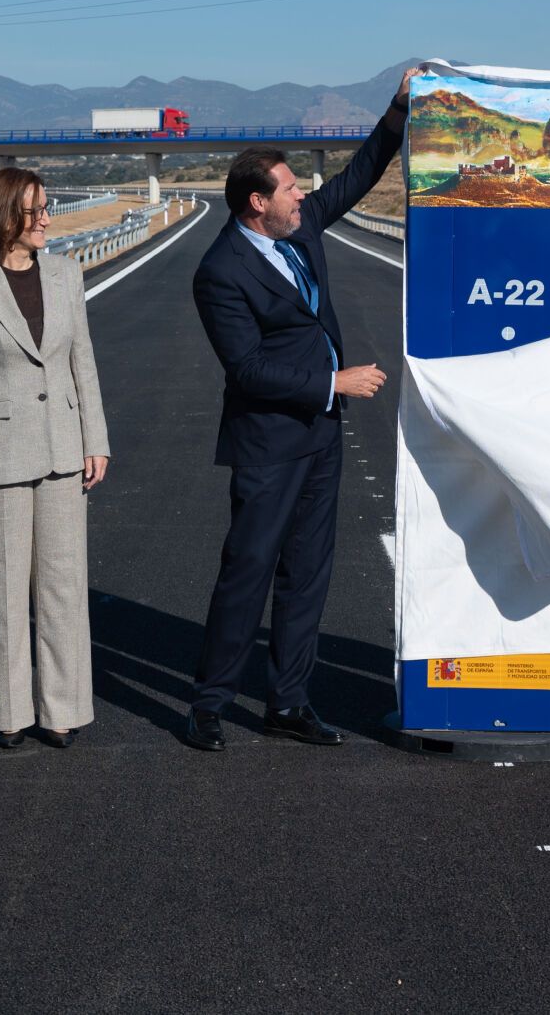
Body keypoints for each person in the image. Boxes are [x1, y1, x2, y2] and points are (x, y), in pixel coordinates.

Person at [182, 67, 412, 752]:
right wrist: (333, 384)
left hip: (320, 437)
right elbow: (247, 369)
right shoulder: (220, 271)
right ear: (258, 203)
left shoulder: (302, 229)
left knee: (307, 576)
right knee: (248, 572)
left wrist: (397, 110)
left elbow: (358, 174)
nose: (303, 194)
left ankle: (288, 701)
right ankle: (209, 703)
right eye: (289, 188)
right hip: (268, 443)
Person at [0, 168, 110, 749]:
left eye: (46, 207)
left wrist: (95, 439)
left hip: (64, 449)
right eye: (34, 210)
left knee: (64, 589)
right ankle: (7, 711)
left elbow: (82, 361)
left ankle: (62, 709)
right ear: (4, 215)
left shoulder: (66, 274)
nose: (45, 219)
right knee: (5, 591)